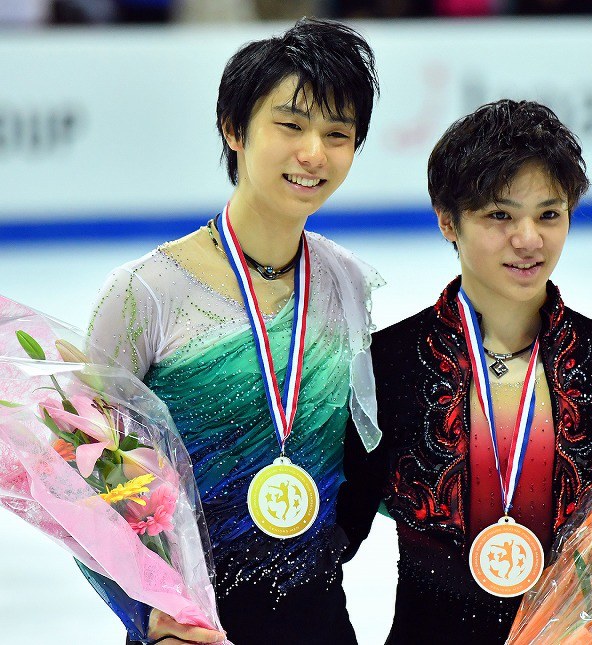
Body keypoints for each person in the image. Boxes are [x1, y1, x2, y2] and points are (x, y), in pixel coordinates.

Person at [337, 100, 592, 644]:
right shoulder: (388, 363)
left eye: (549, 214)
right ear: (447, 222)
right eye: (500, 215)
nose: (529, 239)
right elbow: (332, 538)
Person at [84, 17, 381, 644]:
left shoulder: (344, 282)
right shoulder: (145, 294)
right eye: (291, 125)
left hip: (318, 620)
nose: (314, 155)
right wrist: (152, 615)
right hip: (188, 630)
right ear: (234, 129)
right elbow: (83, 474)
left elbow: (361, 445)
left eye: (337, 134)